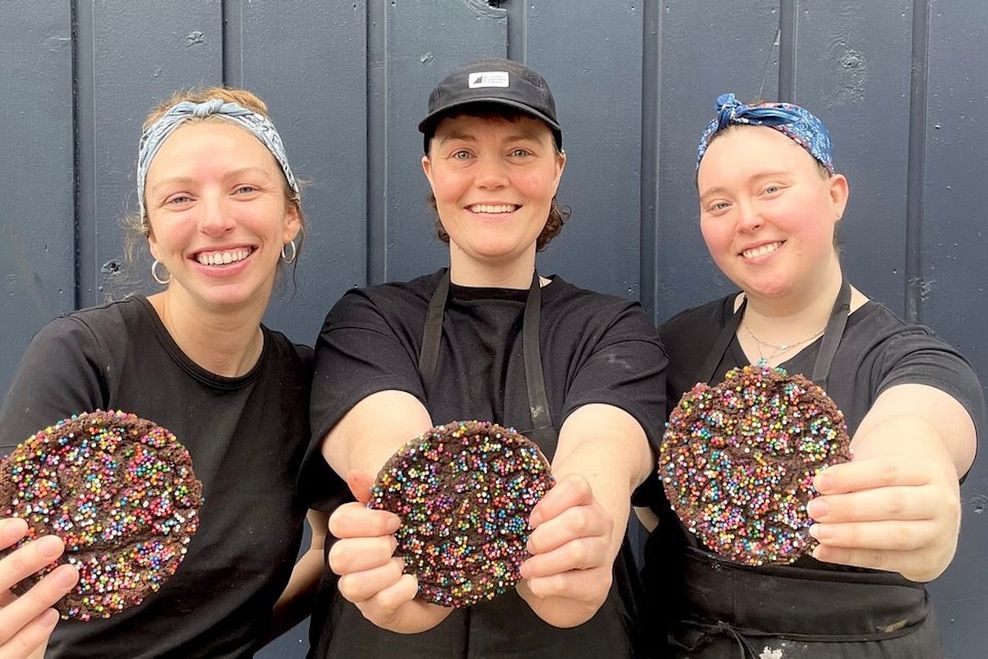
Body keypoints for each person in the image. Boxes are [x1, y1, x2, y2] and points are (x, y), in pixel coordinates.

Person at [300, 58, 667, 658]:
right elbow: (385, 443)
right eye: (462, 153)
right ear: (431, 172)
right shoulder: (369, 318)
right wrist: (416, 542)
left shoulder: (612, 327)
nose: (490, 177)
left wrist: (581, 534)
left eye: (520, 152)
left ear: (557, 170)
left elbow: (603, 449)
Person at [637, 93, 983, 658]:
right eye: (718, 203)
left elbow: (918, 424)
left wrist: (917, 496)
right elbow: (650, 504)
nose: (747, 218)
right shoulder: (675, 346)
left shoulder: (904, 359)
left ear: (835, 194)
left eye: (771, 189)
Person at [0, 87, 325, 658]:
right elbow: (14, 566)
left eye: (245, 188)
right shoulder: (85, 355)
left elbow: (332, 547)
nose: (216, 220)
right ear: (151, 232)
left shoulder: (303, 382)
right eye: (179, 198)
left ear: (290, 215)